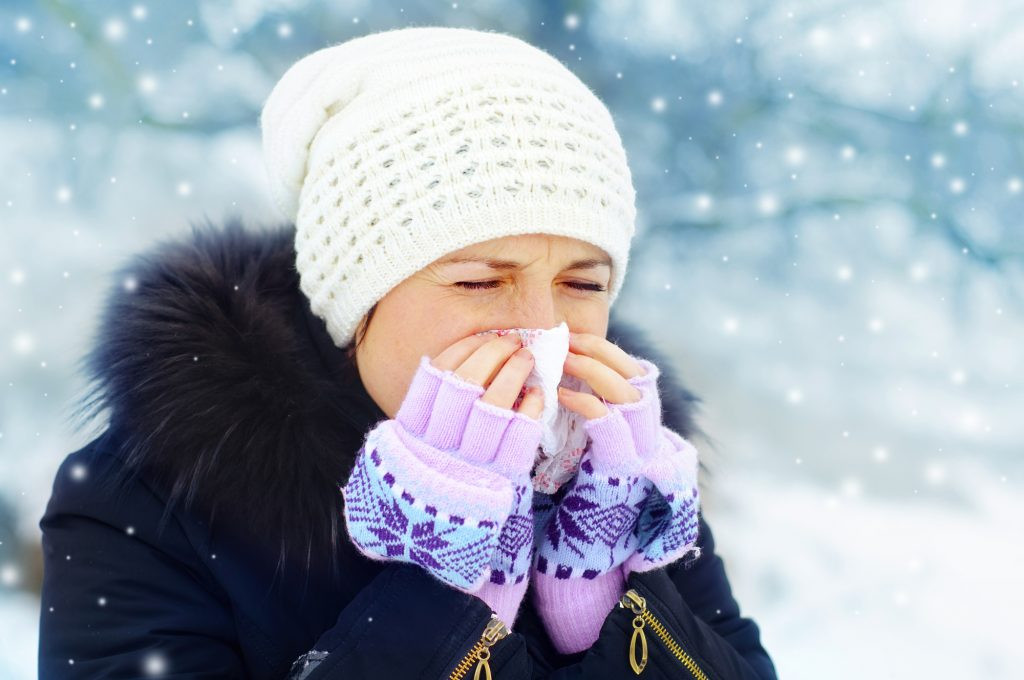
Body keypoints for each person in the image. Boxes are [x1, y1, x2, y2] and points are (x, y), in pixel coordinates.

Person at [38, 26, 778, 679]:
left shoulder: (619, 477)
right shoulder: (147, 502)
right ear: (356, 297)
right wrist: (442, 587)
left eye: (581, 282)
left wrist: (607, 596)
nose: (539, 327)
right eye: (480, 281)